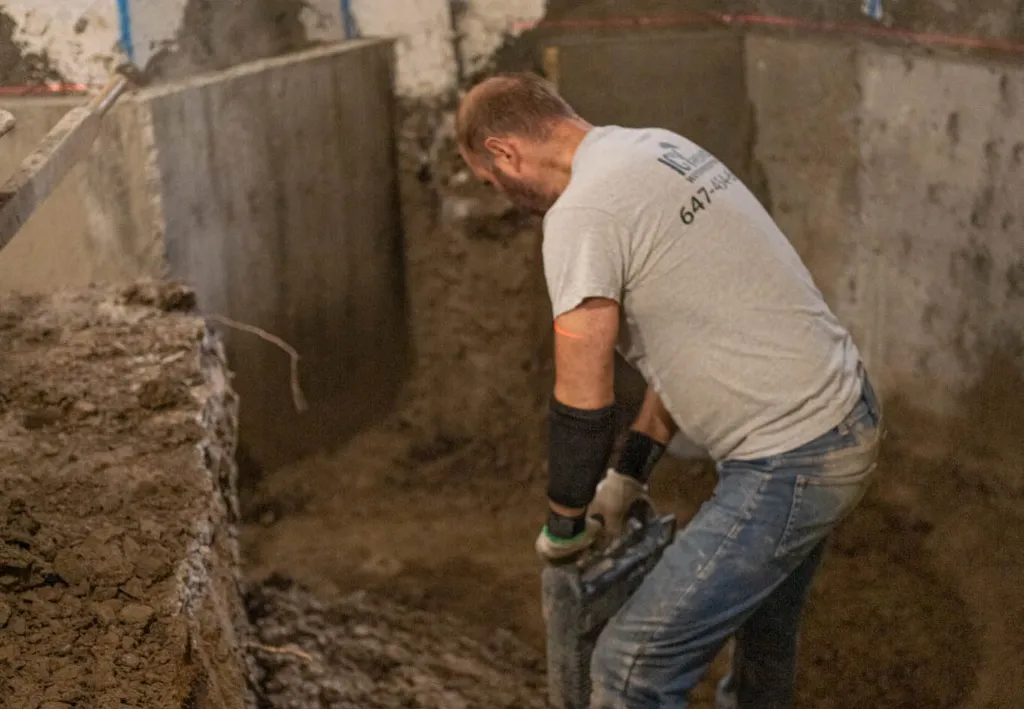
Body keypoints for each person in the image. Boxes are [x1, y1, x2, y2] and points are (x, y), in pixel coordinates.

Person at [455, 72, 883, 709]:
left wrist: (564, 522)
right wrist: (630, 471)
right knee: (764, 644)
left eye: (491, 181)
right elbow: (684, 344)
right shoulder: (653, 149)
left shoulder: (583, 212)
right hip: (842, 413)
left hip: (793, 460)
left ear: (505, 152)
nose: (502, 195)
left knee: (629, 670)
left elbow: (581, 392)